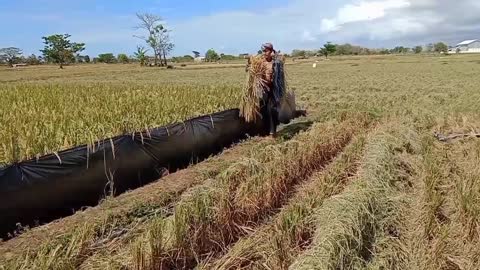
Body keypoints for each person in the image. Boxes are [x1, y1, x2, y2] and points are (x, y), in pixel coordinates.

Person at [259, 42, 279, 137]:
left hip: (273, 88)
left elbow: (279, 73)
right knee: (263, 109)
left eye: (266, 51)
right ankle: (265, 131)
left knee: (271, 109)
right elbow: (249, 70)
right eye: (263, 51)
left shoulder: (275, 62)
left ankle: (272, 131)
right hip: (263, 89)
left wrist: (276, 57)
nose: (264, 53)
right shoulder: (260, 62)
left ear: (271, 51)